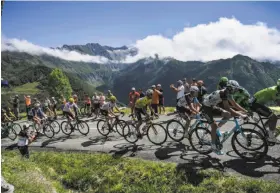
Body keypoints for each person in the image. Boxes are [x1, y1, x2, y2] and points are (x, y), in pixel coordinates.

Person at [202, 80, 248, 155]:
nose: (235, 91)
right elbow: (227, 107)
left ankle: (217, 129)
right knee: (214, 126)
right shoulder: (223, 93)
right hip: (206, 107)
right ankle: (213, 145)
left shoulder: (228, 93)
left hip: (212, 105)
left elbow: (235, 104)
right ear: (230, 88)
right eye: (234, 89)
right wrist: (241, 115)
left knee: (228, 115)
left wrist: (245, 111)